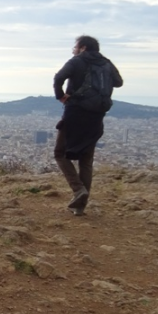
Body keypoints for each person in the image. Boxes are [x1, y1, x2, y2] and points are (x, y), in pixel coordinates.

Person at [53, 35, 124, 216]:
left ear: (83, 47)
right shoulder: (106, 63)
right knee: (86, 160)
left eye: (75, 47)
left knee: (60, 153)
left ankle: (78, 190)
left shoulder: (77, 61)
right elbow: (119, 82)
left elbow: (59, 77)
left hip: (75, 113)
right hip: (96, 116)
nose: (74, 50)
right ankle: (80, 207)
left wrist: (61, 95)